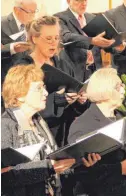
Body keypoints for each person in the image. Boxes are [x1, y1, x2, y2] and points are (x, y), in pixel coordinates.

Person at [1, 64, 101, 195]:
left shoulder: (39, 123)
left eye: (44, 87)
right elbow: (4, 177)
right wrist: (49, 167)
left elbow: (56, 165)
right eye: (38, 88)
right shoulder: (5, 125)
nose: (46, 93)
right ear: (20, 95)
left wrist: (80, 163)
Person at [13, 15, 86, 147]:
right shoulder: (23, 68)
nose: (53, 42)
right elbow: (17, 107)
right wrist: (57, 100)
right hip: (35, 135)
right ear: (34, 38)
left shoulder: (63, 64)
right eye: (48, 38)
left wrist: (79, 99)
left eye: (56, 38)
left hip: (64, 134)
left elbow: (73, 101)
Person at [54, 0, 115, 82]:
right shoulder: (60, 18)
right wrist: (91, 40)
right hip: (74, 68)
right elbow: (66, 36)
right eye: (79, 0)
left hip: (94, 69)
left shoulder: (92, 17)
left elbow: (102, 40)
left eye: (85, 0)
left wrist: (115, 45)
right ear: (68, 1)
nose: (84, 3)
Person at [1, 0, 37, 112]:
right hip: (7, 78)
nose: (33, 16)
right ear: (17, 10)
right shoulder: (2, 23)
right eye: (29, 12)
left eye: (34, 12)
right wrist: (11, 48)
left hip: (29, 78)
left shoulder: (34, 26)